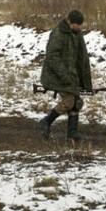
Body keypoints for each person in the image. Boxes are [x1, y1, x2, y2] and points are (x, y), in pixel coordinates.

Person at [38, 10, 93, 140]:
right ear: (69, 22)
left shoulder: (77, 34)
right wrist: (65, 76)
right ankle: (46, 121)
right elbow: (53, 58)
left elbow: (82, 58)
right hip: (55, 76)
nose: (79, 27)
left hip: (71, 76)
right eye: (77, 25)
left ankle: (72, 133)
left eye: (80, 25)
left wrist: (85, 82)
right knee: (69, 101)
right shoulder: (58, 34)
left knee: (76, 103)